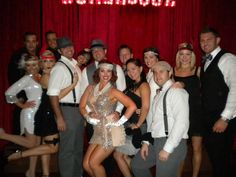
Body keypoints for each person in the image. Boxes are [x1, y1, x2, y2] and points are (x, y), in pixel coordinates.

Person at [131, 61, 189, 177]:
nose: (158, 75)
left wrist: (168, 148)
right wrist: (147, 142)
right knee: (137, 165)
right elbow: (154, 121)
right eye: (155, 72)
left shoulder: (176, 91)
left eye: (161, 71)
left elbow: (182, 122)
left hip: (171, 141)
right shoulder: (159, 94)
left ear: (170, 72)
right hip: (156, 140)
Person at [79, 61, 136, 177]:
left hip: (110, 132)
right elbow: (82, 106)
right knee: (86, 165)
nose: (106, 74)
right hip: (98, 131)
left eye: (109, 71)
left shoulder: (113, 91)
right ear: (98, 73)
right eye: (102, 70)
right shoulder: (90, 88)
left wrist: (119, 122)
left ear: (112, 74)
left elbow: (132, 106)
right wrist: (88, 117)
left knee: (94, 163)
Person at [199, 27, 236, 177]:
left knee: (222, 161)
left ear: (218, 40)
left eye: (209, 39)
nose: (205, 43)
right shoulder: (207, 60)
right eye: (202, 40)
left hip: (222, 120)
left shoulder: (227, 58)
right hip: (210, 119)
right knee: (216, 159)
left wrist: (225, 118)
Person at [47, 37, 84, 177]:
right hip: (67, 111)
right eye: (65, 47)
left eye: (71, 46)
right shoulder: (59, 68)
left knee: (77, 148)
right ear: (59, 51)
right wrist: (60, 118)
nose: (70, 49)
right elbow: (52, 95)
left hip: (77, 110)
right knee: (68, 149)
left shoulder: (73, 65)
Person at [1, 54, 42, 177]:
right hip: (30, 113)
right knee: (31, 143)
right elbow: (9, 93)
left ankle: (31, 172)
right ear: (25, 67)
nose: (31, 67)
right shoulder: (26, 78)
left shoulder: (41, 76)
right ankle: (3, 135)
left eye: (34, 64)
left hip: (40, 115)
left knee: (36, 145)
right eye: (28, 65)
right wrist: (22, 105)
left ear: (39, 64)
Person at [113, 58, 150, 177]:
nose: (131, 72)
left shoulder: (144, 85)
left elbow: (145, 107)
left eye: (133, 69)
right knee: (121, 156)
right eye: (128, 70)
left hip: (138, 127)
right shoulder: (132, 85)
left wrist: (138, 124)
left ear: (140, 69)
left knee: (118, 155)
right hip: (128, 126)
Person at [173, 42, 204, 177]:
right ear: (178, 56)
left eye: (188, 54)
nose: (185, 57)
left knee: (197, 148)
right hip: (180, 115)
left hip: (196, 114)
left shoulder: (198, 70)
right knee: (181, 150)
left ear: (192, 56)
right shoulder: (173, 71)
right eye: (182, 54)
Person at [8, 32, 40, 135]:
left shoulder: (40, 56)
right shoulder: (18, 57)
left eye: (33, 41)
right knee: (24, 132)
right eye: (28, 41)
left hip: (39, 104)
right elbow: (12, 77)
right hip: (24, 97)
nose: (31, 44)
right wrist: (20, 98)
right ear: (24, 43)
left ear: (37, 43)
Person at [143, 47, 160, 131]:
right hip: (149, 111)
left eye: (151, 57)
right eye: (146, 57)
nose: (148, 60)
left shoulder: (160, 72)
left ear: (157, 58)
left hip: (157, 112)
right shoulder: (149, 73)